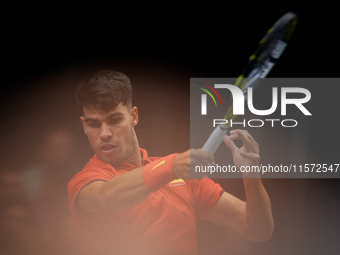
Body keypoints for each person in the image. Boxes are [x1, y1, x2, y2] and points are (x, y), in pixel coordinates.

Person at [68, 70, 274, 255]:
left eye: (114, 120)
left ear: (133, 116)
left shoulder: (181, 175)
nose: (104, 134)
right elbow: (106, 197)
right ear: (84, 126)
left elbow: (257, 229)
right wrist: (171, 166)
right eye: (94, 124)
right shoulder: (85, 182)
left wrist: (250, 175)